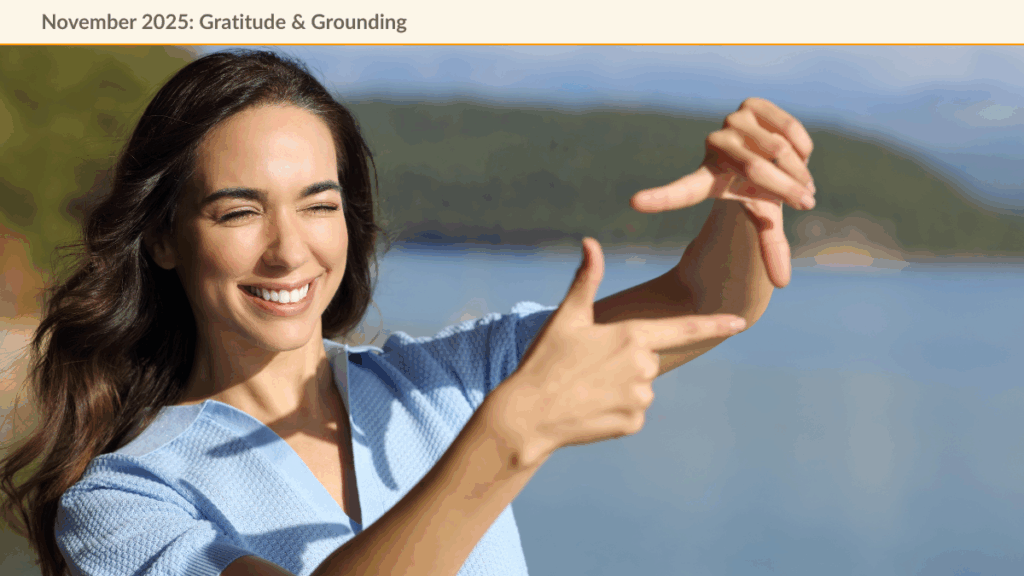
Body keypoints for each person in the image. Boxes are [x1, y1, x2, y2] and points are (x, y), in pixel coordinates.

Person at [0, 49, 816, 576]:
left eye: (317, 206)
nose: (289, 251)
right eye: (239, 212)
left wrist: (745, 205)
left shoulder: (452, 377)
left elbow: (705, 303)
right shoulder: (122, 501)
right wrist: (506, 438)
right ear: (165, 239)